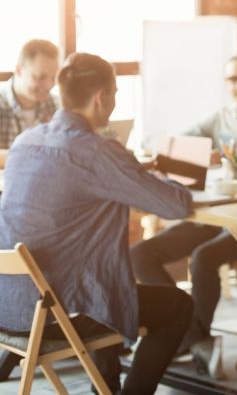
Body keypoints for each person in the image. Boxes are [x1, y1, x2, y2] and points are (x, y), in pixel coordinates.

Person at [0, 53, 194, 393]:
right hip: (54, 317)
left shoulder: (24, 142)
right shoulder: (97, 152)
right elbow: (175, 205)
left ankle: (104, 385)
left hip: (7, 305)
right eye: (116, 93)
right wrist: (159, 177)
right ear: (101, 97)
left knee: (99, 279)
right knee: (177, 306)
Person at [129, 54, 237, 379]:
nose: (236, 86)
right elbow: (176, 144)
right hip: (212, 214)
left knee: (202, 259)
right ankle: (195, 337)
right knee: (140, 253)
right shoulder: (220, 117)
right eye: (231, 79)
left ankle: (184, 336)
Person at [0, 39, 60, 167]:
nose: (49, 85)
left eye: (53, 78)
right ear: (19, 70)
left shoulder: (57, 107)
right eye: (41, 77)